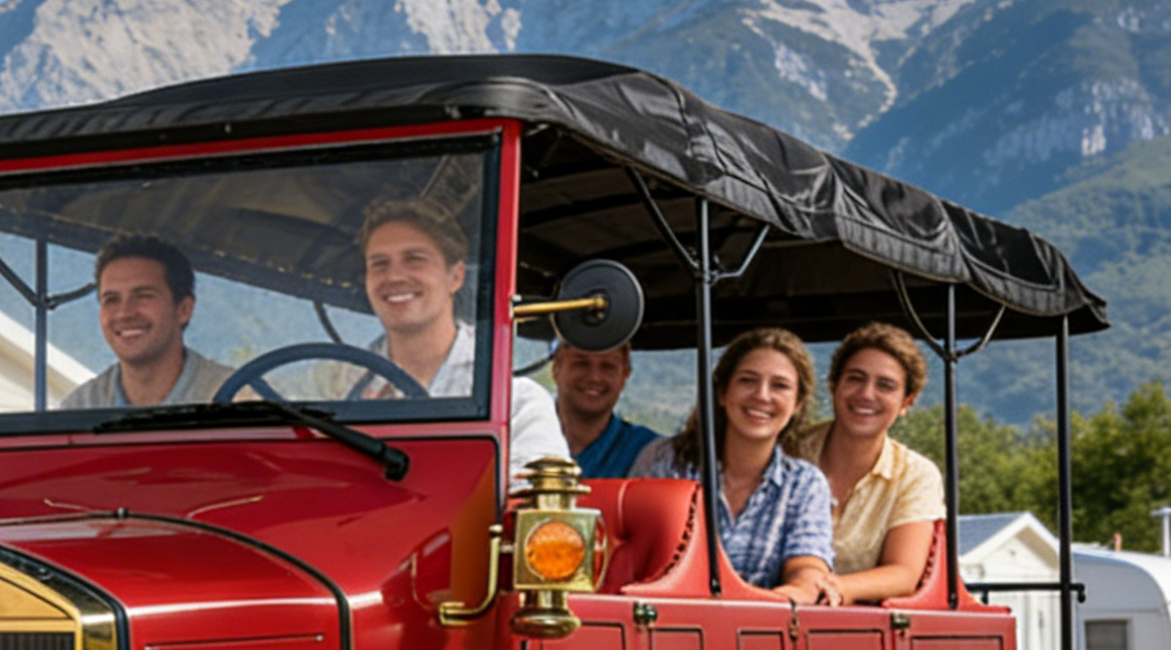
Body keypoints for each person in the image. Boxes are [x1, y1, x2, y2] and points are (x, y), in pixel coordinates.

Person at [345, 199, 567, 482]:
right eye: (379, 264)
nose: (395, 276)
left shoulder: (516, 404)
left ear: (455, 276)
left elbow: (534, 510)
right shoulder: (336, 396)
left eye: (414, 259)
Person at [628, 327, 836, 605]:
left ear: (797, 403)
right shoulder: (666, 461)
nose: (762, 395)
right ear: (722, 393)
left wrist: (786, 596)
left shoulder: (804, 483)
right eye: (748, 381)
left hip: (760, 632)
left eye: (780, 386)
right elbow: (637, 562)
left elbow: (806, 571)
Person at [804, 323, 941, 604]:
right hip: (775, 608)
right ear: (833, 385)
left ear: (907, 402)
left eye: (885, 385)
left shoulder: (916, 474)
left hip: (861, 627)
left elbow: (903, 572)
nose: (866, 394)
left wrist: (832, 589)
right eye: (855, 379)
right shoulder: (791, 450)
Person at [57, 235, 233, 409]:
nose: (124, 313)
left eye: (143, 296)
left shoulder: (237, 399)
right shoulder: (78, 408)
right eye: (111, 299)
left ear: (184, 309)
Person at [549, 340, 658, 479]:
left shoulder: (649, 454)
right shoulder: (519, 439)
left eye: (607, 367)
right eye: (581, 363)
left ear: (625, 375)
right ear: (556, 368)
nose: (594, 377)